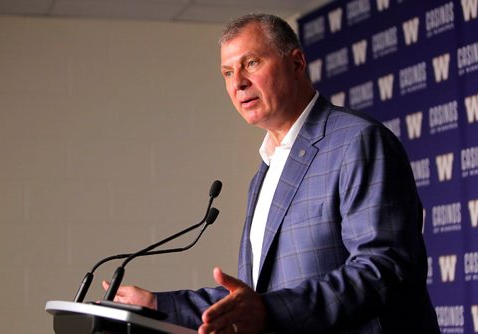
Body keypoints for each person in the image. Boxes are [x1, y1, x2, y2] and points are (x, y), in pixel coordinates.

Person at [103, 13, 440, 333]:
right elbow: (258, 297)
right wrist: (158, 304)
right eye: (227, 73)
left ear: (296, 63)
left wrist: (269, 312)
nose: (239, 83)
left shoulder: (357, 141)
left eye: (251, 63)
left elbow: (384, 268)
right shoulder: (267, 168)